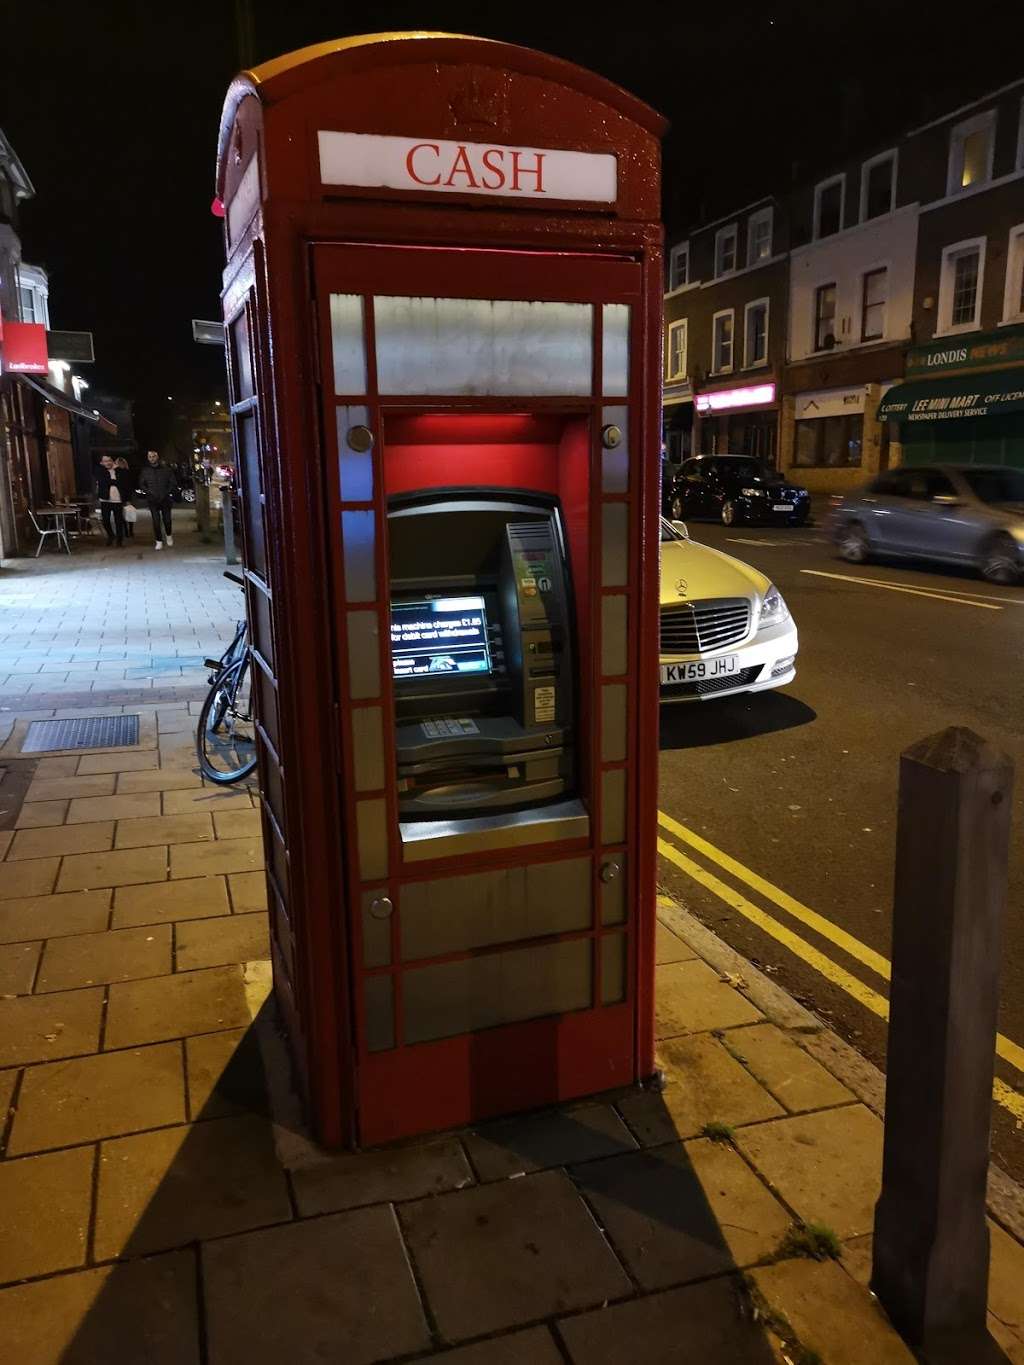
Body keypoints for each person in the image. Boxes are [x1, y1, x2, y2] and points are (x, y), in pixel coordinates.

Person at [138, 449, 177, 550]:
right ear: (148, 458)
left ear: (157, 457)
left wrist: (167, 492)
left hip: (165, 499)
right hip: (152, 499)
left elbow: (172, 483)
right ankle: (158, 541)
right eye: (150, 457)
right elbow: (142, 484)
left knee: (167, 520)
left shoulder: (166, 469)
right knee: (156, 521)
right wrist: (148, 492)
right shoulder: (145, 471)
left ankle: (169, 535)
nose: (152, 458)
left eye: (153, 456)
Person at [96, 455, 131, 547]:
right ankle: (111, 535)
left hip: (118, 500)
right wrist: (113, 481)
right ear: (102, 463)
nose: (108, 463)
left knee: (119, 521)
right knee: (105, 520)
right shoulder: (100, 472)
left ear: (112, 461)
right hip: (105, 499)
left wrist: (127, 499)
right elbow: (103, 482)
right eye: (105, 461)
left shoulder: (120, 471)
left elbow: (124, 484)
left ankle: (119, 540)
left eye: (109, 460)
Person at [115, 459, 136, 538]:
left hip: (126, 495)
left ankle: (129, 531)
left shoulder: (127, 472)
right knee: (122, 515)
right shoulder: (116, 472)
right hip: (118, 496)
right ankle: (126, 531)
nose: (120, 464)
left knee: (129, 514)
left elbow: (129, 486)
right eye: (119, 463)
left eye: (122, 463)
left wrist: (129, 499)